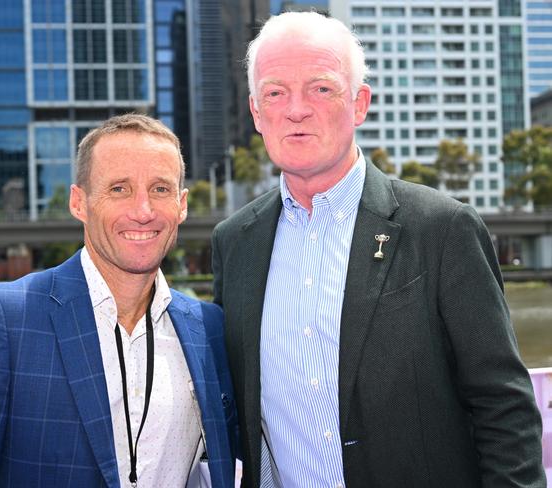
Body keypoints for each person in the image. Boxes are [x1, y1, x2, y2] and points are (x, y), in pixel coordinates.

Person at [211, 11, 545, 488]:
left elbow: (504, 407)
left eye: (321, 89)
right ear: (256, 112)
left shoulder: (442, 229)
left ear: (359, 103)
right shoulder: (235, 242)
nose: (296, 109)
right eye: (275, 92)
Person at [0, 114, 237, 487]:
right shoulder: (2, 319)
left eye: (160, 189)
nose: (143, 211)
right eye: (119, 189)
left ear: (181, 205)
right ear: (79, 203)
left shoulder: (208, 328)